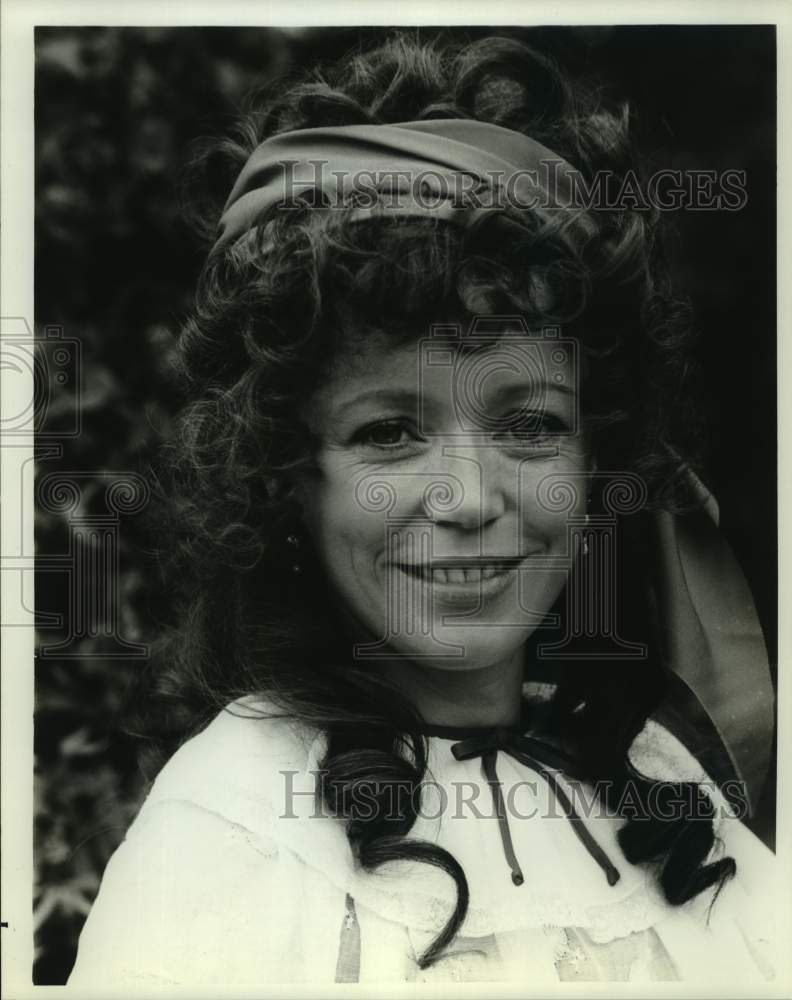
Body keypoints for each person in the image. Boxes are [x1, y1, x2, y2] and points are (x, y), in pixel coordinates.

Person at [68, 33, 776, 985]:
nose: (472, 499)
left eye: (528, 425)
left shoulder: (664, 787)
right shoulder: (228, 836)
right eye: (390, 434)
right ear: (287, 478)